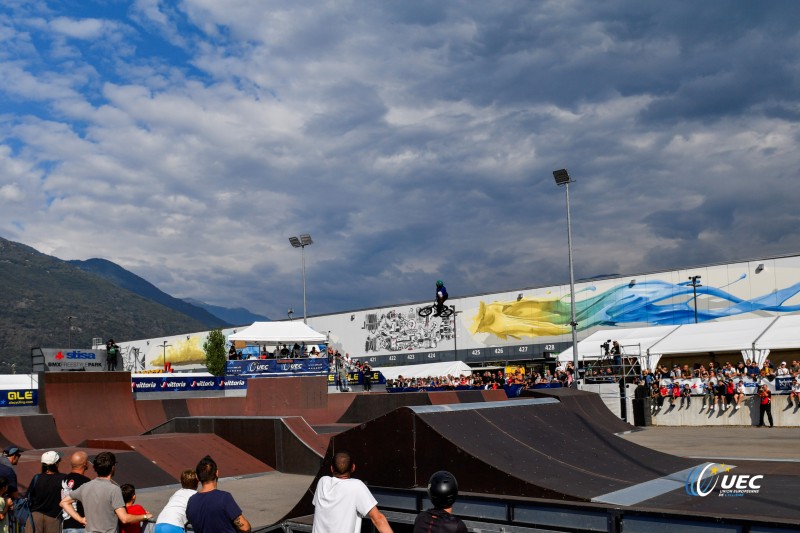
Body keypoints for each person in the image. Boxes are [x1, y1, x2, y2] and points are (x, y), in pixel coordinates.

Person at [60, 451, 153, 532]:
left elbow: (64, 502)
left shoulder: (85, 486)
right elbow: (124, 518)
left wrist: (80, 519)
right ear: (112, 467)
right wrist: (144, 516)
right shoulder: (114, 489)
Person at [312, 451, 392, 533]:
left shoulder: (322, 482)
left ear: (331, 468)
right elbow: (378, 519)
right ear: (353, 467)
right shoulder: (356, 486)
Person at [186, 455, 250, 533]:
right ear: (217, 473)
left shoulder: (192, 501)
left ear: (198, 478)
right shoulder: (224, 498)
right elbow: (245, 527)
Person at [28, 450, 67, 533]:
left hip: (35, 517)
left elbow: (29, 496)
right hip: (54, 517)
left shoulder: (36, 478)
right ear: (56, 464)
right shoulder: (63, 478)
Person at [61, 451, 91, 533]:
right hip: (79, 526)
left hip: (65, 525)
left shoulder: (64, 479)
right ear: (85, 463)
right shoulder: (85, 481)